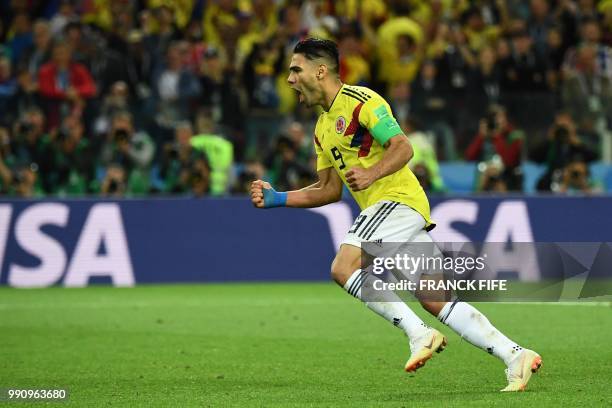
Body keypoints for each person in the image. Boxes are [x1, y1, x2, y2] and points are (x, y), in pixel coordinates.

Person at [250, 38, 541, 392]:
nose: (290, 79)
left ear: (320, 70)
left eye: (296, 69)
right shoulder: (321, 128)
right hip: (393, 210)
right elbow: (328, 189)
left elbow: (403, 147)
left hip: (394, 200)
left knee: (343, 268)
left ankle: (418, 333)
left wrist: (372, 175)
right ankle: (516, 355)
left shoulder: (362, 101)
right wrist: (278, 197)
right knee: (436, 298)